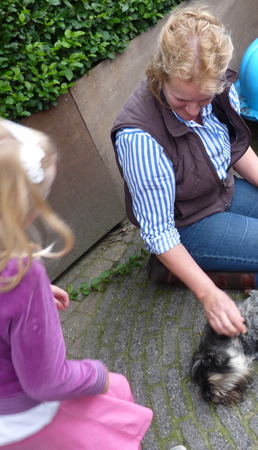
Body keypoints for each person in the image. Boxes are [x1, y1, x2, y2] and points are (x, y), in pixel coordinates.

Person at [111, 3, 258, 337]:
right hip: (188, 223)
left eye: (202, 101)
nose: (192, 111)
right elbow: (158, 231)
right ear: (161, 74)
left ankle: (235, 263)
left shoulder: (218, 88)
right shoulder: (139, 138)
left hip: (221, 191)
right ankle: (188, 272)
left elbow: (232, 148)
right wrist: (209, 296)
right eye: (180, 100)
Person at [0, 119, 153, 449]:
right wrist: (95, 373)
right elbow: (45, 381)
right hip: (26, 416)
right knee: (111, 396)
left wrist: (31, 299)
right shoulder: (21, 276)